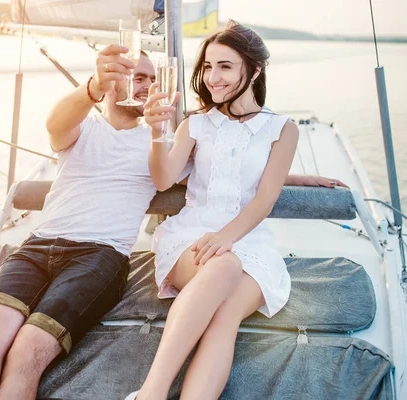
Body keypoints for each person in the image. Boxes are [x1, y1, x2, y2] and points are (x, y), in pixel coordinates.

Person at [0, 40, 346, 400]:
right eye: (134, 75)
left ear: (253, 71)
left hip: (106, 255)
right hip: (46, 244)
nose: (145, 84)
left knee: (30, 348)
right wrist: (95, 89)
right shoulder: (95, 128)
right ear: (112, 80)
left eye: (151, 78)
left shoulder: (176, 135)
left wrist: (297, 177)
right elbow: (58, 125)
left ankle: (151, 393)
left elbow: (235, 170)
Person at [125, 21, 305, 400]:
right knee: (223, 264)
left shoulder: (282, 129)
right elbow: (163, 179)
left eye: (224, 66)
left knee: (224, 316)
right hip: (191, 237)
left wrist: (227, 237)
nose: (212, 77)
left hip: (249, 242)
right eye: (207, 66)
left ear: (254, 70)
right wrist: (157, 131)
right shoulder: (196, 124)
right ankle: (152, 393)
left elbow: (265, 198)